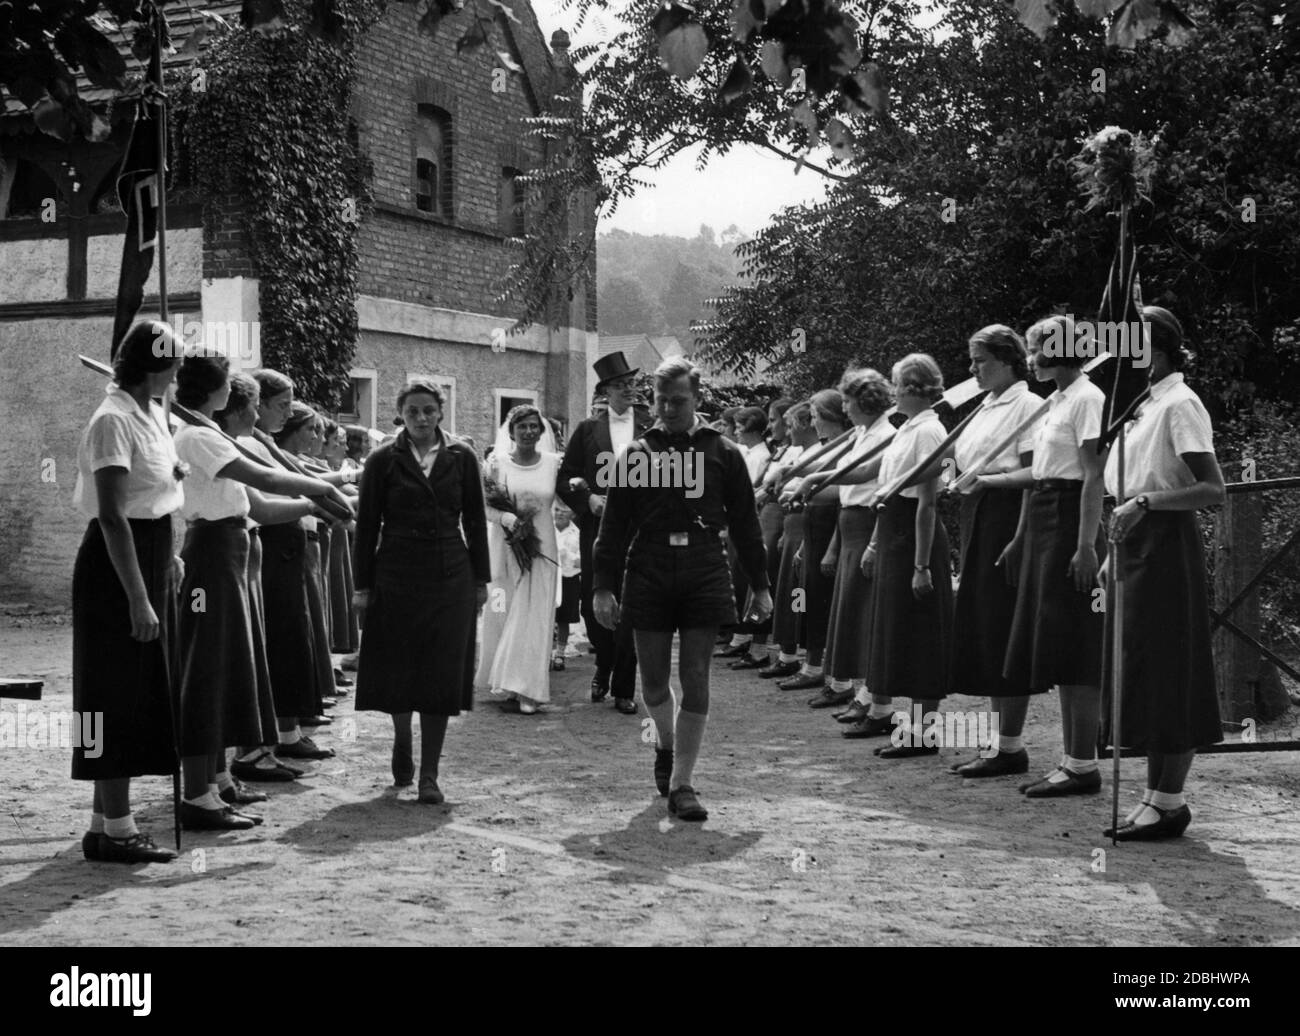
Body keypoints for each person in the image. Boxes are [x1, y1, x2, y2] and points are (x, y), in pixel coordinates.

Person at [593, 357, 773, 822]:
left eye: (679, 400)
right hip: (649, 567)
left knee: (696, 675)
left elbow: (746, 526)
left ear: (696, 399)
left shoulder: (724, 453)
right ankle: (666, 748)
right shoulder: (636, 455)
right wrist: (602, 589)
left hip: (703, 567)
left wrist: (761, 585)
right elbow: (612, 530)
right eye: (661, 400)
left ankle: (683, 783)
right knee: (653, 681)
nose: (669, 408)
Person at [172, 352, 337, 830]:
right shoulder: (197, 436)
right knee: (208, 670)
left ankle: (219, 777)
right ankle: (197, 794)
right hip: (211, 555)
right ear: (219, 391)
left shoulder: (211, 434)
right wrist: (332, 485)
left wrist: (317, 501)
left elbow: (261, 506)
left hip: (234, 554)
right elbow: (263, 478)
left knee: (231, 668)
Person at [1102, 307, 1225, 840]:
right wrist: (1115, 541)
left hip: (1167, 541)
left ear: (1159, 347)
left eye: (1133, 343)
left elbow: (1212, 489)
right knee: (1144, 666)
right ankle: (1155, 797)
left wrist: (1145, 503)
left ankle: (1170, 801)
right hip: (1135, 539)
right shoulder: (1144, 402)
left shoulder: (1181, 402)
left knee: (1171, 665)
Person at [71, 321, 184, 864]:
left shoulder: (152, 414)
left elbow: (152, 497)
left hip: (149, 555)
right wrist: (138, 597)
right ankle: (118, 830)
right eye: (176, 363)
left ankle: (103, 824)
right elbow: (115, 516)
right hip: (116, 569)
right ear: (154, 365)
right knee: (112, 693)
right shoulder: (112, 420)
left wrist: (171, 555)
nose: (180, 373)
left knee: (135, 690)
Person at [353, 380, 490, 803]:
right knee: (398, 667)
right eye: (413, 411)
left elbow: (475, 518)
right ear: (401, 414)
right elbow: (366, 525)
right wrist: (362, 586)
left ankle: (430, 773)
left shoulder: (462, 458)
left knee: (440, 672)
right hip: (395, 573)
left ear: (441, 412)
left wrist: (481, 581)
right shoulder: (382, 460)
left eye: (429, 410)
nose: (422, 418)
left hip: (450, 575)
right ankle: (400, 739)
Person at [1003, 316, 1107, 796]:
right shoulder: (1055, 402)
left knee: (1078, 643)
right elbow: (1038, 474)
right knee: (1057, 641)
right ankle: (1072, 761)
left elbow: (1092, 476)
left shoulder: (1088, 398)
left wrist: (1086, 545)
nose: (1031, 357)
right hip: (1045, 516)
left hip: (1071, 521)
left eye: (1038, 347)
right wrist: (1022, 536)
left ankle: (1083, 764)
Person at [947, 325, 1045, 777]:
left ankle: (1011, 745)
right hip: (978, 514)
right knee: (986, 624)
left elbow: (1035, 477)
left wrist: (1020, 537)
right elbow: (965, 461)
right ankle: (1000, 744)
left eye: (980, 360)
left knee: (1004, 622)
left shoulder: (1028, 406)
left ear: (1007, 360)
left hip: (1008, 516)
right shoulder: (984, 407)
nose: (972, 369)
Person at [861, 354, 956, 760]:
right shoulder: (907, 429)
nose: (893, 392)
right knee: (901, 631)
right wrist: (877, 543)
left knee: (921, 633)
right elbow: (885, 490)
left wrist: (921, 565)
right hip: (897, 533)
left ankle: (924, 732)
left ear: (916, 389)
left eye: (899, 384)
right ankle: (912, 728)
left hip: (918, 539)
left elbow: (928, 503)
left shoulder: (930, 431)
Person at [557, 351, 653, 713]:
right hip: (598, 528)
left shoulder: (651, 427)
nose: (629, 390)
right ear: (605, 391)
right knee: (591, 599)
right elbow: (565, 478)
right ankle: (603, 666)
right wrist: (588, 499)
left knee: (634, 605)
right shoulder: (587, 429)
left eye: (632, 384)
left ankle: (625, 687)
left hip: (641, 529)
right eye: (621, 385)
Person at [801, 369, 895, 737]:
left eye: (847, 401)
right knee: (852, 613)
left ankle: (873, 699)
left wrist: (810, 480)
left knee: (866, 614)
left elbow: (868, 483)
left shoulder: (885, 434)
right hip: (851, 523)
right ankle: (863, 694)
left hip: (868, 523)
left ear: (863, 401)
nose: (844, 408)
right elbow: (840, 479)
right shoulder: (863, 434)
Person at [249, 370, 335, 762]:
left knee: (294, 636)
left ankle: (288, 730)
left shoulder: (262, 439)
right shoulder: (246, 441)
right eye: (280, 405)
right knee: (282, 638)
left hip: (287, 543)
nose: (286, 413)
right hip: (271, 543)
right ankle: (274, 736)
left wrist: (341, 484)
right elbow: (287, 481)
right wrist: (322, 499)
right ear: (259, 404)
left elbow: (302, 473)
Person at [475, 404, 562, 713]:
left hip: (541, 547)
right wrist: (509, 520)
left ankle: (529, 688)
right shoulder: (497, 464)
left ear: (541, 431)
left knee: (534, 614)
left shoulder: (554, 464)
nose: (528, 431)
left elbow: (566, 499)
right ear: (510, 432)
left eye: (534, 426)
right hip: (506, 544)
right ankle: (509, 682)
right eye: (522, 426)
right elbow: (483, 507)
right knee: (507, 611)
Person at [777, 389, 850, 697]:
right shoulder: (828, 447)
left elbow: (844, 502)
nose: (814, 422)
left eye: (818, 416)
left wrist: (832, 547)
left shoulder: (848, 446)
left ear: (832, 417)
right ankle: (809, 663)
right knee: (806, 597)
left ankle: (834, 676)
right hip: (812, 528)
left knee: (825, 603)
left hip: (831, 528)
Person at [755, 400, 818, 679]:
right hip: (790, 522)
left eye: (791, 424)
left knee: (798, 592)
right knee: (789, 590)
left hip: (802, 520)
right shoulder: (797, 451)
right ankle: (788, 652)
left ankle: (800, 656)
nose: (788, 431)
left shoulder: (818, 452)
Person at [720, 405, 777, 667]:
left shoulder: (759, 455)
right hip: (740, 519)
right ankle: (742, 636)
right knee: (739, 579)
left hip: (753, 520)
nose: (737, 432)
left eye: (741, 427)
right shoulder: (747, 452)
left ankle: (755, 643)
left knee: (749, 580)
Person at [553, 502, 582, 672]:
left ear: (573, 514)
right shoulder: (548, 529)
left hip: (567, 579)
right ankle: (544, 653)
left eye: (565, 510)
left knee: (563, 618)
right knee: (547, 618)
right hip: (549, 578)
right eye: (557, 509)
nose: (560, 513)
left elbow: (582, 561)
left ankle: (560, 654)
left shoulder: (577, 534)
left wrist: (567, 555)